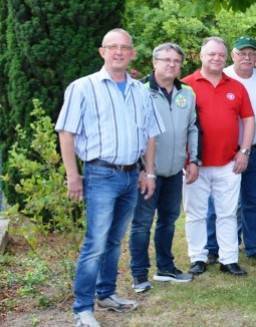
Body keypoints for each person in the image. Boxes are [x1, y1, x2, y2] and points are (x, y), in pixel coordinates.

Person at [57, 29, 161, 327]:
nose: (118, 52)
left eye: (124, 47)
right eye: (112, 47)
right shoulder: (83, 87)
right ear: (102, 52)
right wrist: (73, 175)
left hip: (131, 176)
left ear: (132, 53)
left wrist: (148, 171)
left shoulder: (141, 91)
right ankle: (82, 309)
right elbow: (66, 133)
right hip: (100, 175)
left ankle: (106, 294)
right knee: (96, 243)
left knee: (115, 240)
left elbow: (150, 135)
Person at [182, 37, 255, 277]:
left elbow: (249, 119)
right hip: (195, 164)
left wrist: (244, 151)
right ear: (201, 56)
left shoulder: (236, 87)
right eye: (211, 54)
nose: (216, 58)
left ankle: (229, 259)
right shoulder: (186, 85)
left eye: (221, 55)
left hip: (229, 162)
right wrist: (186, 159)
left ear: (226, 58)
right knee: (196, 214)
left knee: (227, 213)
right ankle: (198, 257)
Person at [129, 43, 199, 294]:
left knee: (168, 221)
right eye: (166, 60)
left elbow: (192, 128)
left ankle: (165, 268)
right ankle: (139, 274)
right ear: (154, 62)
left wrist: (193, 160)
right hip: (147, 171)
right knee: (142, 223)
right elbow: (133, 132)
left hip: (174, 170)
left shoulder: (187, 93)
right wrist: (140, 168)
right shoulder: (139, 91)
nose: (171, 64)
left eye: (176, 61)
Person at [209, 36, 256, 264]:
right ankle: (214, 247)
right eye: (242, 53)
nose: (247, 57)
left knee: (252, 199)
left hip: (255, 149)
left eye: (251, 53)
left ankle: (254, 246)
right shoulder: (223, 76)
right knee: (219, 201)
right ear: (233, 55)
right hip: (225, 150)